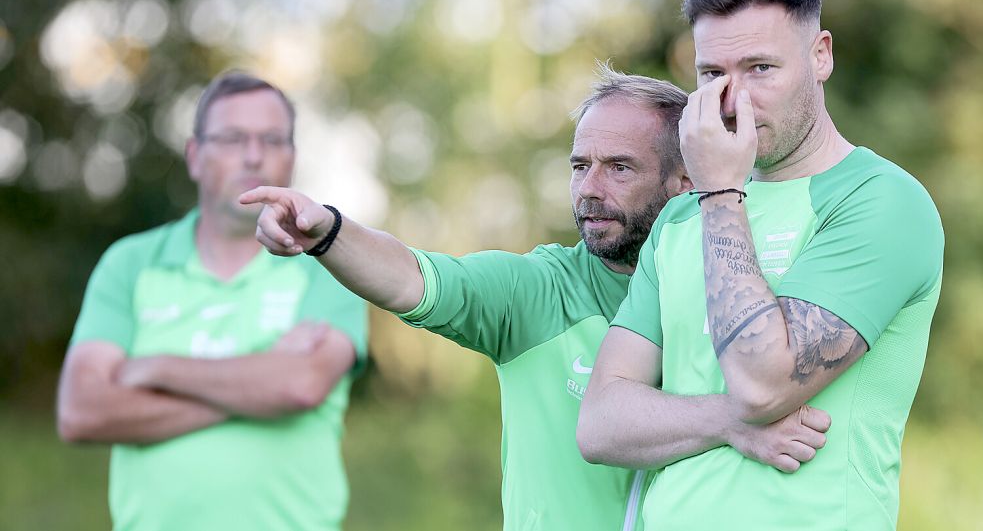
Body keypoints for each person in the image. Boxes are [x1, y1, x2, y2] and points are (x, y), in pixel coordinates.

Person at [241, 64, 830, 531]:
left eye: (619, 168)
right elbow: (410, 278)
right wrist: (329, 232)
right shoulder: (538, 290)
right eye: (580, 166)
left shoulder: (743, 295)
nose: (590, 189)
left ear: (686, 180)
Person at [577, 0, 945, 530]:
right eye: (712, 74)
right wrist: (729, 422)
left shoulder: (882, 201)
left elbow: (762, 383)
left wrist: (723, 193)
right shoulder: (681, 218)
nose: (733, 99)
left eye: (760, 69)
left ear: (820, 56)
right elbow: (600, 424)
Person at [56, 72, 368, 531]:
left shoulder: (331, 263)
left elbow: (300, 385)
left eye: (272, 139)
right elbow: (81, 412)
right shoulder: (130, 263)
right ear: (195, 156)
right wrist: (260, 383)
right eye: (232, 138)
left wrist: (157, 370)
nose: (254, 154)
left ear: (293, 157)